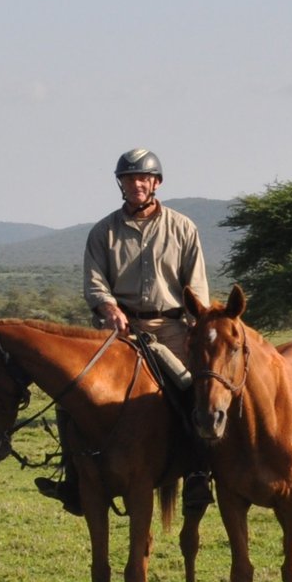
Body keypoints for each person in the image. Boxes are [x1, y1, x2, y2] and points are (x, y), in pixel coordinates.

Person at [37, 147, 212, 513]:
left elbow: (196, 287)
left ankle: (198, 471)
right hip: (119, 329)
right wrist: (108, 306)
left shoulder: (182, 228)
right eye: (129, 178)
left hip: (170, 326)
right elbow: (95, 280)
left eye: (143, 178)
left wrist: (198, 330)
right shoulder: (103, 232)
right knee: (73, 393)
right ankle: (74, 477)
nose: (136, 184)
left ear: (156, 183)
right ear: (121, 184)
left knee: (193, 389)